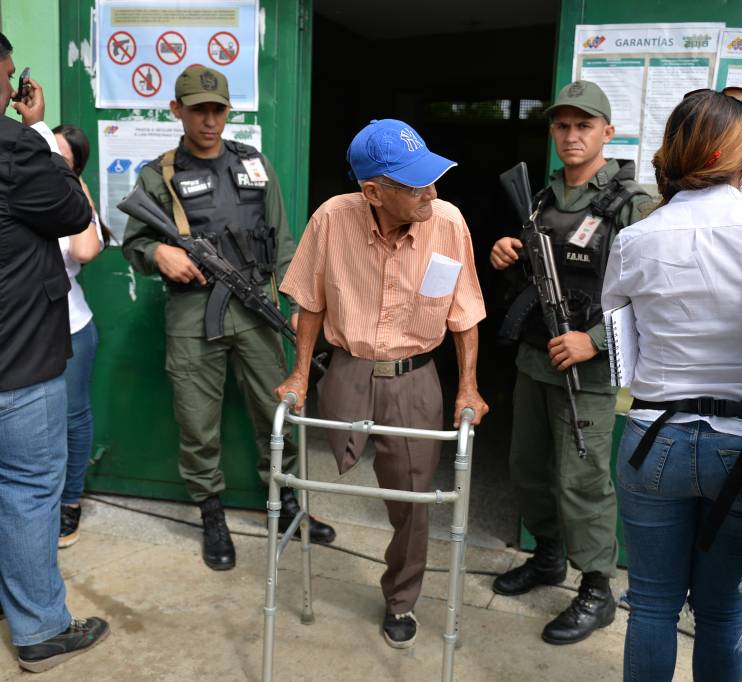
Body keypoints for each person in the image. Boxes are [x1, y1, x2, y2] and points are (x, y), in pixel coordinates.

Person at [601, 88, 742, 681]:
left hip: (652, 437)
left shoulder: (636, 238)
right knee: (723, 611)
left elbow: (620, 351)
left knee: (652, 607)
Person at [274, 118, 489, 649]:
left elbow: (464, 315)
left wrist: (468, 387)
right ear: (372, 191)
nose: (431, 192)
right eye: (416, 185)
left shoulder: (448, 222)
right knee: (322, 470)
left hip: (415, 377)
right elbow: (309, 302)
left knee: (412, 501)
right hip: (348, 368)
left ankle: (401, 598)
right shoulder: (332, 218)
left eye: (432, 178)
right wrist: (299, 374)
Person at [121, 65, 335, 572]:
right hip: (194, 312)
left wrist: (295, 299)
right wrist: (159, 255)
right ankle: (212, 513)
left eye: (217, 110)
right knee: (197, 420)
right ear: (177, 110)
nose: (209, 120)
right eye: (198, 110)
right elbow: (135, 243)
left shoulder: (253, 163)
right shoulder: (160, 173)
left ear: (228, 112)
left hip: (257, 304)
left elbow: (284, 239)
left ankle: (285, 505)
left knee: (276, 410)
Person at [489, 80, 652, 645]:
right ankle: (548, 558)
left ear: (607, 132)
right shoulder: (540, 196)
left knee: (582, 482)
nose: (571, 136)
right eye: (562, 125)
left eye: (584, 126)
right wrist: (505, 253)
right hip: (536, 358)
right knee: (529, 470)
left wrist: (595, 342)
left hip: (587, 370)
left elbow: (652, 295)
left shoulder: (632, 204)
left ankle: (597, 588)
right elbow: (538, 267)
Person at [0, 31, 110, 672]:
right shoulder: (16, 149)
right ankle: (40, 628)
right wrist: (35, 129)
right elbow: (73, 212)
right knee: (27, 488)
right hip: (17, 361)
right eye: (9, 74)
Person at [52, 124, 104, 549]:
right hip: (22, 333)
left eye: (62, 158)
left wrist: (72, 184)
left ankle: (71, 502)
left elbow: (85, 252)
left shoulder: (74, 203)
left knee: (72, 417)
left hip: (71, 327)